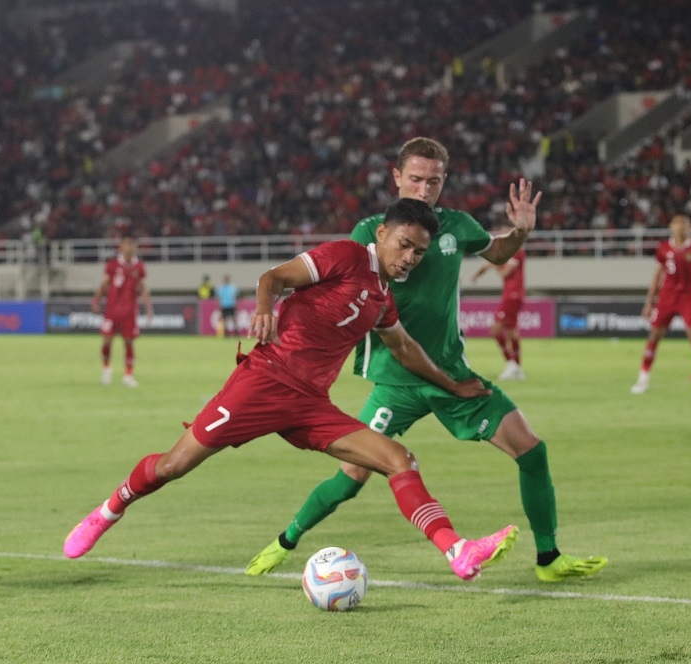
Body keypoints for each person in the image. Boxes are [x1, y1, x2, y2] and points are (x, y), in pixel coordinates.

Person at [64, 198, 519, 583]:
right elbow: (273, 278)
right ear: (382, 233)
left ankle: (457, 550)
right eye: (404, 245)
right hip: (264, 381)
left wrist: (453, 384)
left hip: (310, 405)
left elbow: (403, 348)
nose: (410, 258)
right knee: (173, 465)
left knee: (399, 460)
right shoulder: (345, 255)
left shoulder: (383, 296)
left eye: (419, 253)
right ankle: (109, 509)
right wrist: (265, 309)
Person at [246, 137, 608, 583]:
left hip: (453, 375)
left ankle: (550, 558)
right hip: (394, 379)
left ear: (444, 182)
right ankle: (285, 541)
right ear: (396, 178)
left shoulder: (456, 226)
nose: (423, 189)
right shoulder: (370, 231)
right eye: (414, 179)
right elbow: (327, 283)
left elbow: (496, 253)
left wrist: (520, 232)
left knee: (532, 450)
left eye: (432, 181)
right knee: (351, 475)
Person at [630, 214, 691, 395]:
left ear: (689, 228)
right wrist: (649, 302)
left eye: (684, 225)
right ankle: (643, 378)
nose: (681, 227)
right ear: (671, 227)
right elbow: (657, 276)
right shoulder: (663, 249)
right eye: (677, 224)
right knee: (654, 335)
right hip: (666, 297)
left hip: (688, 297)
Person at [91, 235, 153, 388]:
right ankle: (106, 370)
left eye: (132, 245)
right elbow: (104, 284)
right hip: (112, 311)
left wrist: (148, 309)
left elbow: (143, 289)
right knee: (107, 340)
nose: (130, 248)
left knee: (129, 343)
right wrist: (96, 301)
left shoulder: (139, 267)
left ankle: (128, 375)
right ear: (121, 247)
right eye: (127, 245)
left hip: (129, 312)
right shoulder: (112, 265)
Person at [471, 242, 527, 380]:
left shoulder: (516, 252)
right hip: (513, 296)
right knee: (511, 331)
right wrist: (478, 274)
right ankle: (517, 368)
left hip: (512, 296)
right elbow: (489, 264)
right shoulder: (507, 254)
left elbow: (504, 273)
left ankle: (510, 363)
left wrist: (495, 265)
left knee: (496, 330)